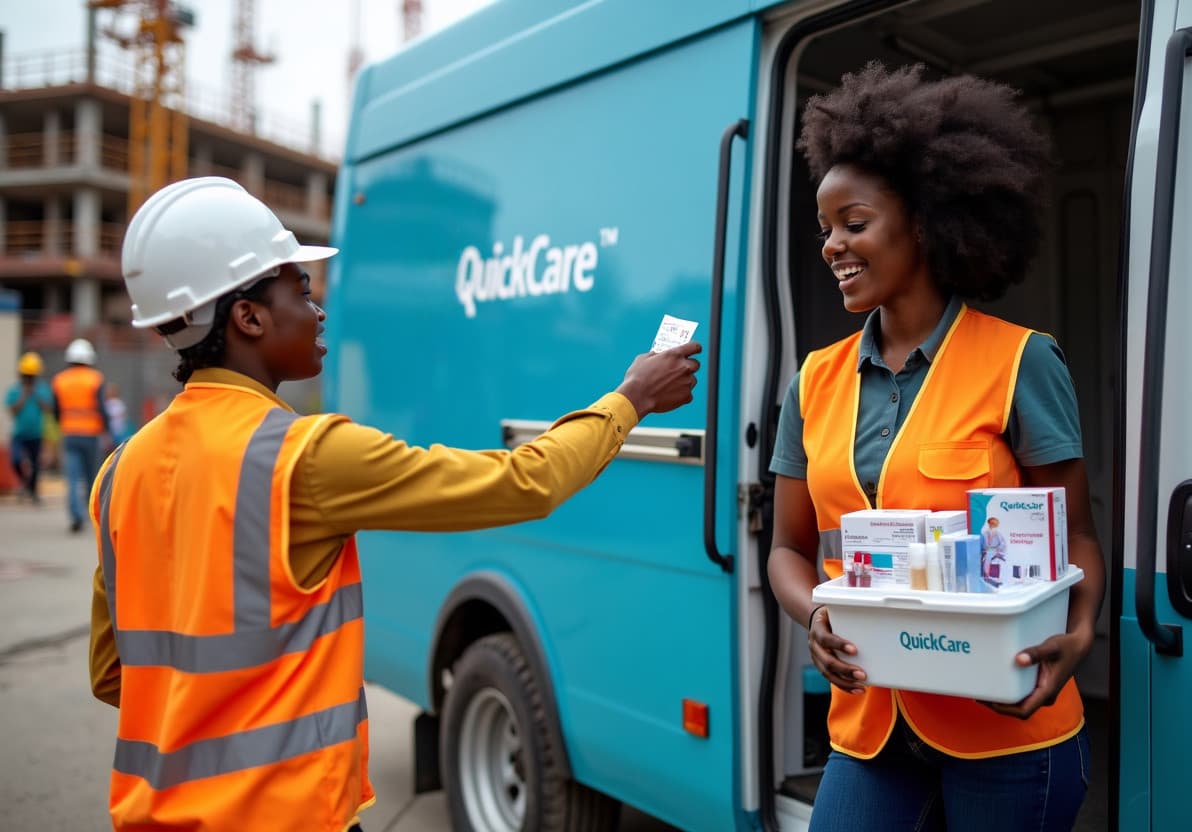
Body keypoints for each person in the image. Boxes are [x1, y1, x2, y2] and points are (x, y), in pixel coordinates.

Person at [86, 176, 701, 832]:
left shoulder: (119, 471)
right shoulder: (305, 457)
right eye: (299, 289)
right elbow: (527, 482)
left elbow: (110, 673)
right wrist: (631, 397)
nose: (318, 308)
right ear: (248, 317)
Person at [766, 64, 1105, 831]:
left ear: (922, 220)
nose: (831, 246)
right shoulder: (813, 382)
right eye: (825, 230)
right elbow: (786, 549)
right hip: (869, 724)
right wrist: (813, 614)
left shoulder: (1020, 360)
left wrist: (1077, 639)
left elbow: (1076, 535)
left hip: (1007, 728)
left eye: (853, 223)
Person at [51, 337, 109, 531]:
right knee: (92, 477)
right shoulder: (96, 378)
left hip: (69, 433)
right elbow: (102, 408)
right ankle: (91, 514)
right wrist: (107, 430)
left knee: (73, 478)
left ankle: (75, 516)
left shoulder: (60, 380)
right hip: (91, 433)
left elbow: (56, 410)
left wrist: (64, 425)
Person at [6, 351, 54, 502]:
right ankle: (24, 484)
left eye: (31, 376)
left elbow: (48, 409)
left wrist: (36, 395)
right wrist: (24, 396)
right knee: (15, 460)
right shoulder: (15, 390)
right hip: (19, 433)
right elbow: (12, 411)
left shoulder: (42, 389)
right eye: (26, 376)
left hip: (36, 434)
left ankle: (32, 492)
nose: (29, 379)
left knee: (35, 466)